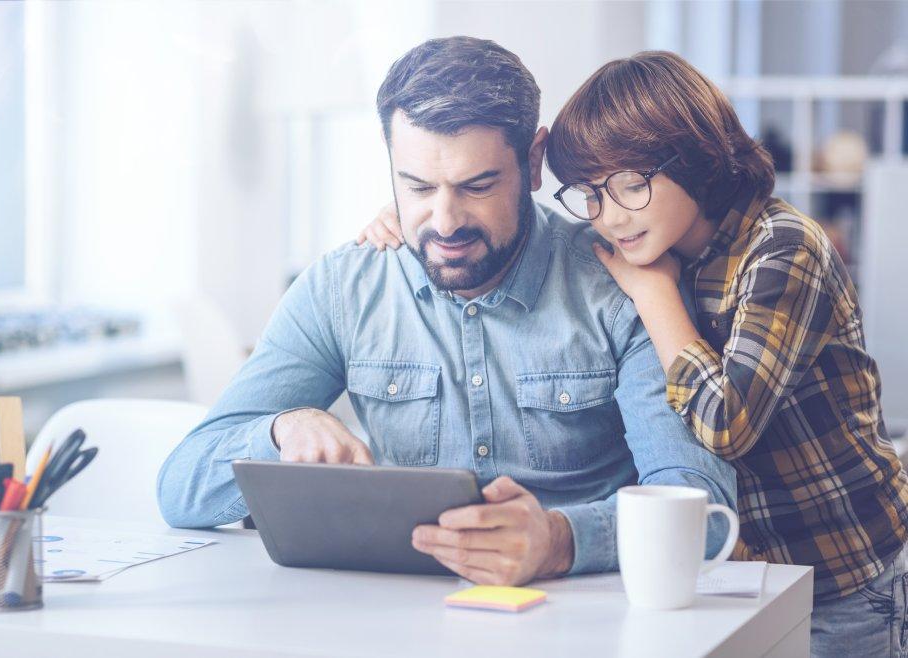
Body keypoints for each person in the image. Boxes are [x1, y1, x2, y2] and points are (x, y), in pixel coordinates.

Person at [361, 50, 908, 655]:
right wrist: (421, 216)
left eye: (631, 185)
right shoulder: (649, 244)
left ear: (698, 161)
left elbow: (726, 426)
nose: (611, 215)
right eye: (592, 193)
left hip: (847, 568)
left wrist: (654, 296)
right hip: (744, 574)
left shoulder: (783, 248)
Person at [158, 37, 735, 587]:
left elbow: (703, 510)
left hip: (583, 616)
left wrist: (561, 540)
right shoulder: (344, 288)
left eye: (477, 185)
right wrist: (281, 431)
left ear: (533, 163)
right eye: (416, 187)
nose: (445, 221)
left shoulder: (624, 284)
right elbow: (181, 487)